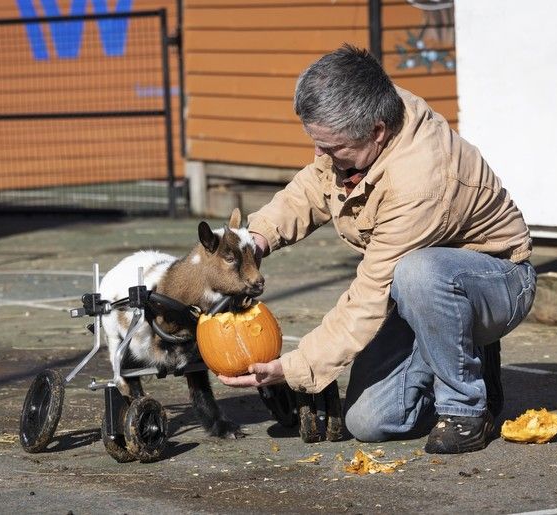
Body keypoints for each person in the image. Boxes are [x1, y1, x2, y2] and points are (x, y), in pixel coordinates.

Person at [219, 44, 536, 454]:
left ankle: (465, 409)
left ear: (377, 132)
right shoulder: (362, 119)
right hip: (421, 292)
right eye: (317, 143)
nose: (320, 155)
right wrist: (256, 237)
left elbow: (372, 292)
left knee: (418, 273)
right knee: (369, 422)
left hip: (494, 280)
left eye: (331, 148)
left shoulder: (419, 179)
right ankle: (456, 345)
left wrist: (296, 367)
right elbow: (313, 187)